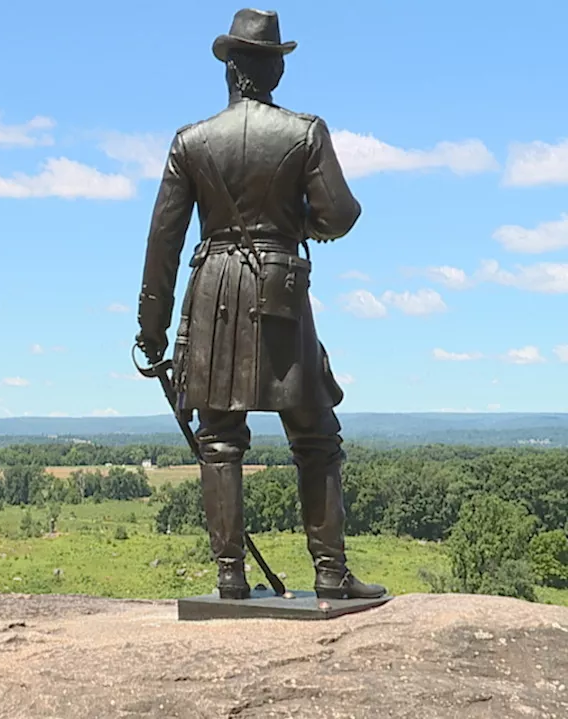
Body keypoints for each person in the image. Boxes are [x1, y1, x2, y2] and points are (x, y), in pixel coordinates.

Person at [135, 8, 385, 601]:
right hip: (280, 286)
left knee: (219, 436)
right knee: (315, 432)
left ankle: (229, 578)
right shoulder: (305, 133)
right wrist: (294, 222)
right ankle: (330, 572)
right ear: (272, 71)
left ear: (231, 70)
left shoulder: (191, 142)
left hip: (214, 288)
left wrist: (151, 330)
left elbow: (163, 243)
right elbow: (341, 215)